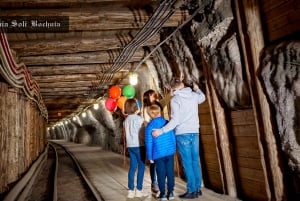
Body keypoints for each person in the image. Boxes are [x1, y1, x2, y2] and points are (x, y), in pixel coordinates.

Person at [152, 77, 206, 199]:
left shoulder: (176, 99)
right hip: (195, 132)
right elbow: (203, 98)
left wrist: (161, 131)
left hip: (183, 134)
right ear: (182, 84)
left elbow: (175, 120)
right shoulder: (193, 95)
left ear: (172, 89)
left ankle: (192, 190)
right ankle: (197, 189)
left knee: (187, 163)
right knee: (195, 161)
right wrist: (197, 89)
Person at [142, 89, 172, 192]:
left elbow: (165, 101)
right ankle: (154, 182)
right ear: (147, 97)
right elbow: (146, 122)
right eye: (151, 95)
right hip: (154, 135)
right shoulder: (146, 109)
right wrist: (151, 130)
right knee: (154, 161)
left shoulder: (158, 105)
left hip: (162, 135)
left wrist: (170, 93)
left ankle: (162, 181)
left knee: (162, 159)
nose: (154, 96)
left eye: (154, 94)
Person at [145, 104, 176, 201]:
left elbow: (149, 143)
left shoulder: (149, 127)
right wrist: (174, 149)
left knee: (161, 174)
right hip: (170, 152)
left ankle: (162, 194)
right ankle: (170, 193)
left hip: (158, 154)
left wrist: (150, 157)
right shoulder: (167, 123)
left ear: (150, 114)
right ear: (160, 112)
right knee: (170, 172)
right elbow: (172, 137)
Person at [123, 98, 148, 198]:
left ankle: (130, 190)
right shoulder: (140, 119)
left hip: (130, 146)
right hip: (139, 146)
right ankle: (139, 190)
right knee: (141, 167)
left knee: (132, 167)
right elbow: (146, 128)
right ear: (136, 107)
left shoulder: (125, 121)